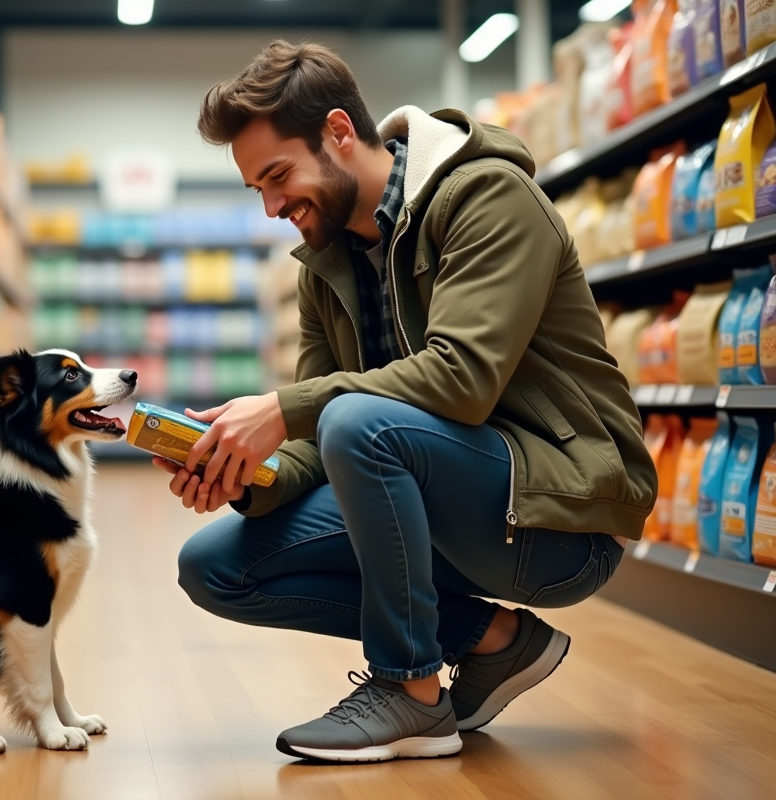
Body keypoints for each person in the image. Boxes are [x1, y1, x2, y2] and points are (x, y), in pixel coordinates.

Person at [154, 40, 657, 763]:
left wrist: (284, 409)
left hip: (559, 520)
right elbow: (312, 445)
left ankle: (411, 694)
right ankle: (493, 641)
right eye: (254, 189)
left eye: (277, 176)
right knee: (214, 566)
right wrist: (244, 473)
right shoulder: (323, 266)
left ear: (337, 132)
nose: (270, 207)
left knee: (359, 422)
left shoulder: (486, 197)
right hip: (449, 507)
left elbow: (460, 379)